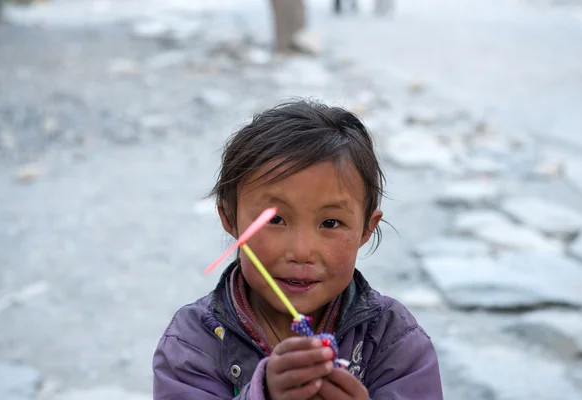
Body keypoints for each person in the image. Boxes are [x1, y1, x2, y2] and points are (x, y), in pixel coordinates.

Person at [153, 100, 443, 400]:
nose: (302, 251)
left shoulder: (390, 338)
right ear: (229, 219)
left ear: (367, 229)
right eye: (275, 219)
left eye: (330, 222)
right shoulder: (195, 342)